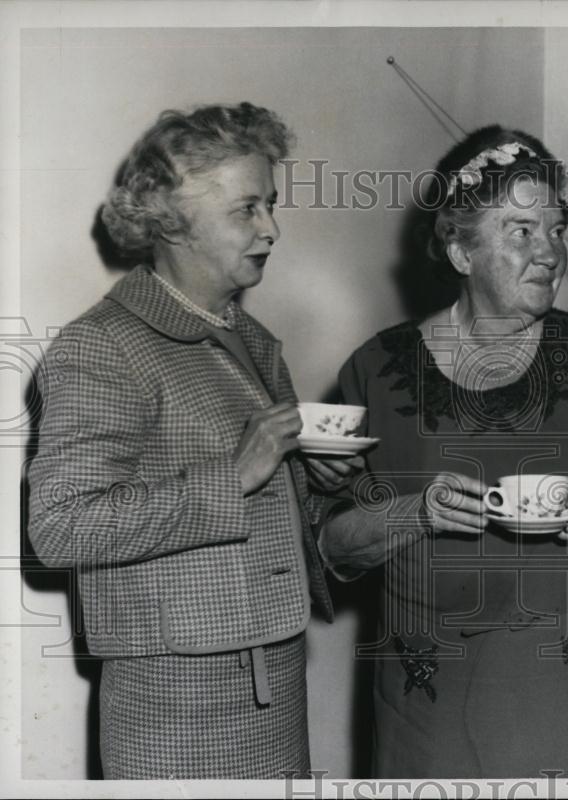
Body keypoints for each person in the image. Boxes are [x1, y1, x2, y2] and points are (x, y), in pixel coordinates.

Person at [318, 126, 568, 778]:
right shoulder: (374, 370)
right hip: (428, 703)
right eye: (520, 231)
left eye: (556, 229)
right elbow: (333, 546)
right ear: (460, 251)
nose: (549, 253)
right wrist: (415, 515)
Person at [27, 103, 360, 779]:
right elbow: (59, 528)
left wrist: (311, 483)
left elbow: (260, 516)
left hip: (277, 679)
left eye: (270, 204)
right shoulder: (103, 346)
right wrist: (234, 477)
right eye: (247, 210)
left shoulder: (250, 339)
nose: (271, 229)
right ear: (172, 222)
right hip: (175, 707)